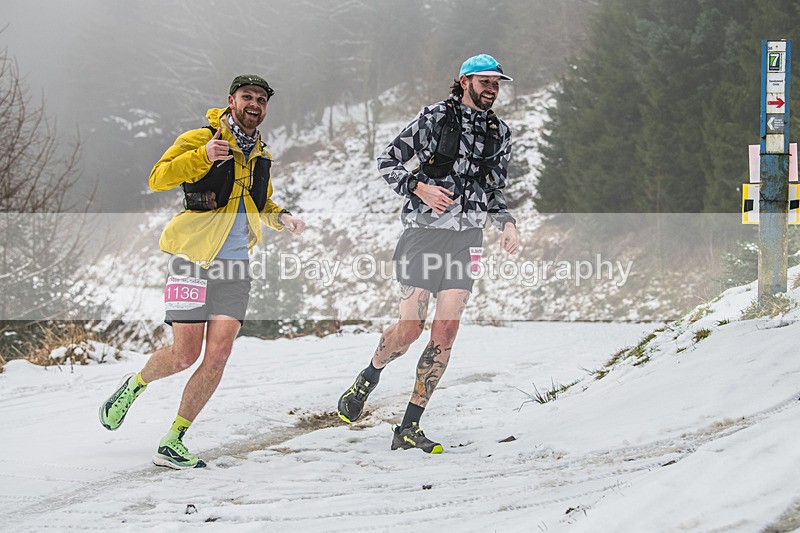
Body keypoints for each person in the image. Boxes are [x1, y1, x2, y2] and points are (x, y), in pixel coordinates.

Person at [99, 74, 305, 469]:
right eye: (247, 97)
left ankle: (173, 440)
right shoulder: (200, 138)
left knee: (218, 355)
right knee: (183, 355)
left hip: (235, 267)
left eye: (261, 99)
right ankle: (134, 384)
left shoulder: (261, 154)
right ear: (231, 100)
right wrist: (203, 156)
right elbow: (157, 178)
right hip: (191, 260)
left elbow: (259, 202)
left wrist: (283, 218)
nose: (255, 104)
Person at [337, 54, 520, 453]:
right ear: (464, 81)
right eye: (484, 81)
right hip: (423, 234)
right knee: (410, 329)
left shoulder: (500, 133)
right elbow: (388, 161)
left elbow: (494, 191)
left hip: (468, 240)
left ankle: (409, 427)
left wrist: (506, 222)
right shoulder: (436, 117)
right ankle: (369, 376)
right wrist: (419, 188)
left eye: (496, 83)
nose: (491, 89)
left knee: (447, 332)